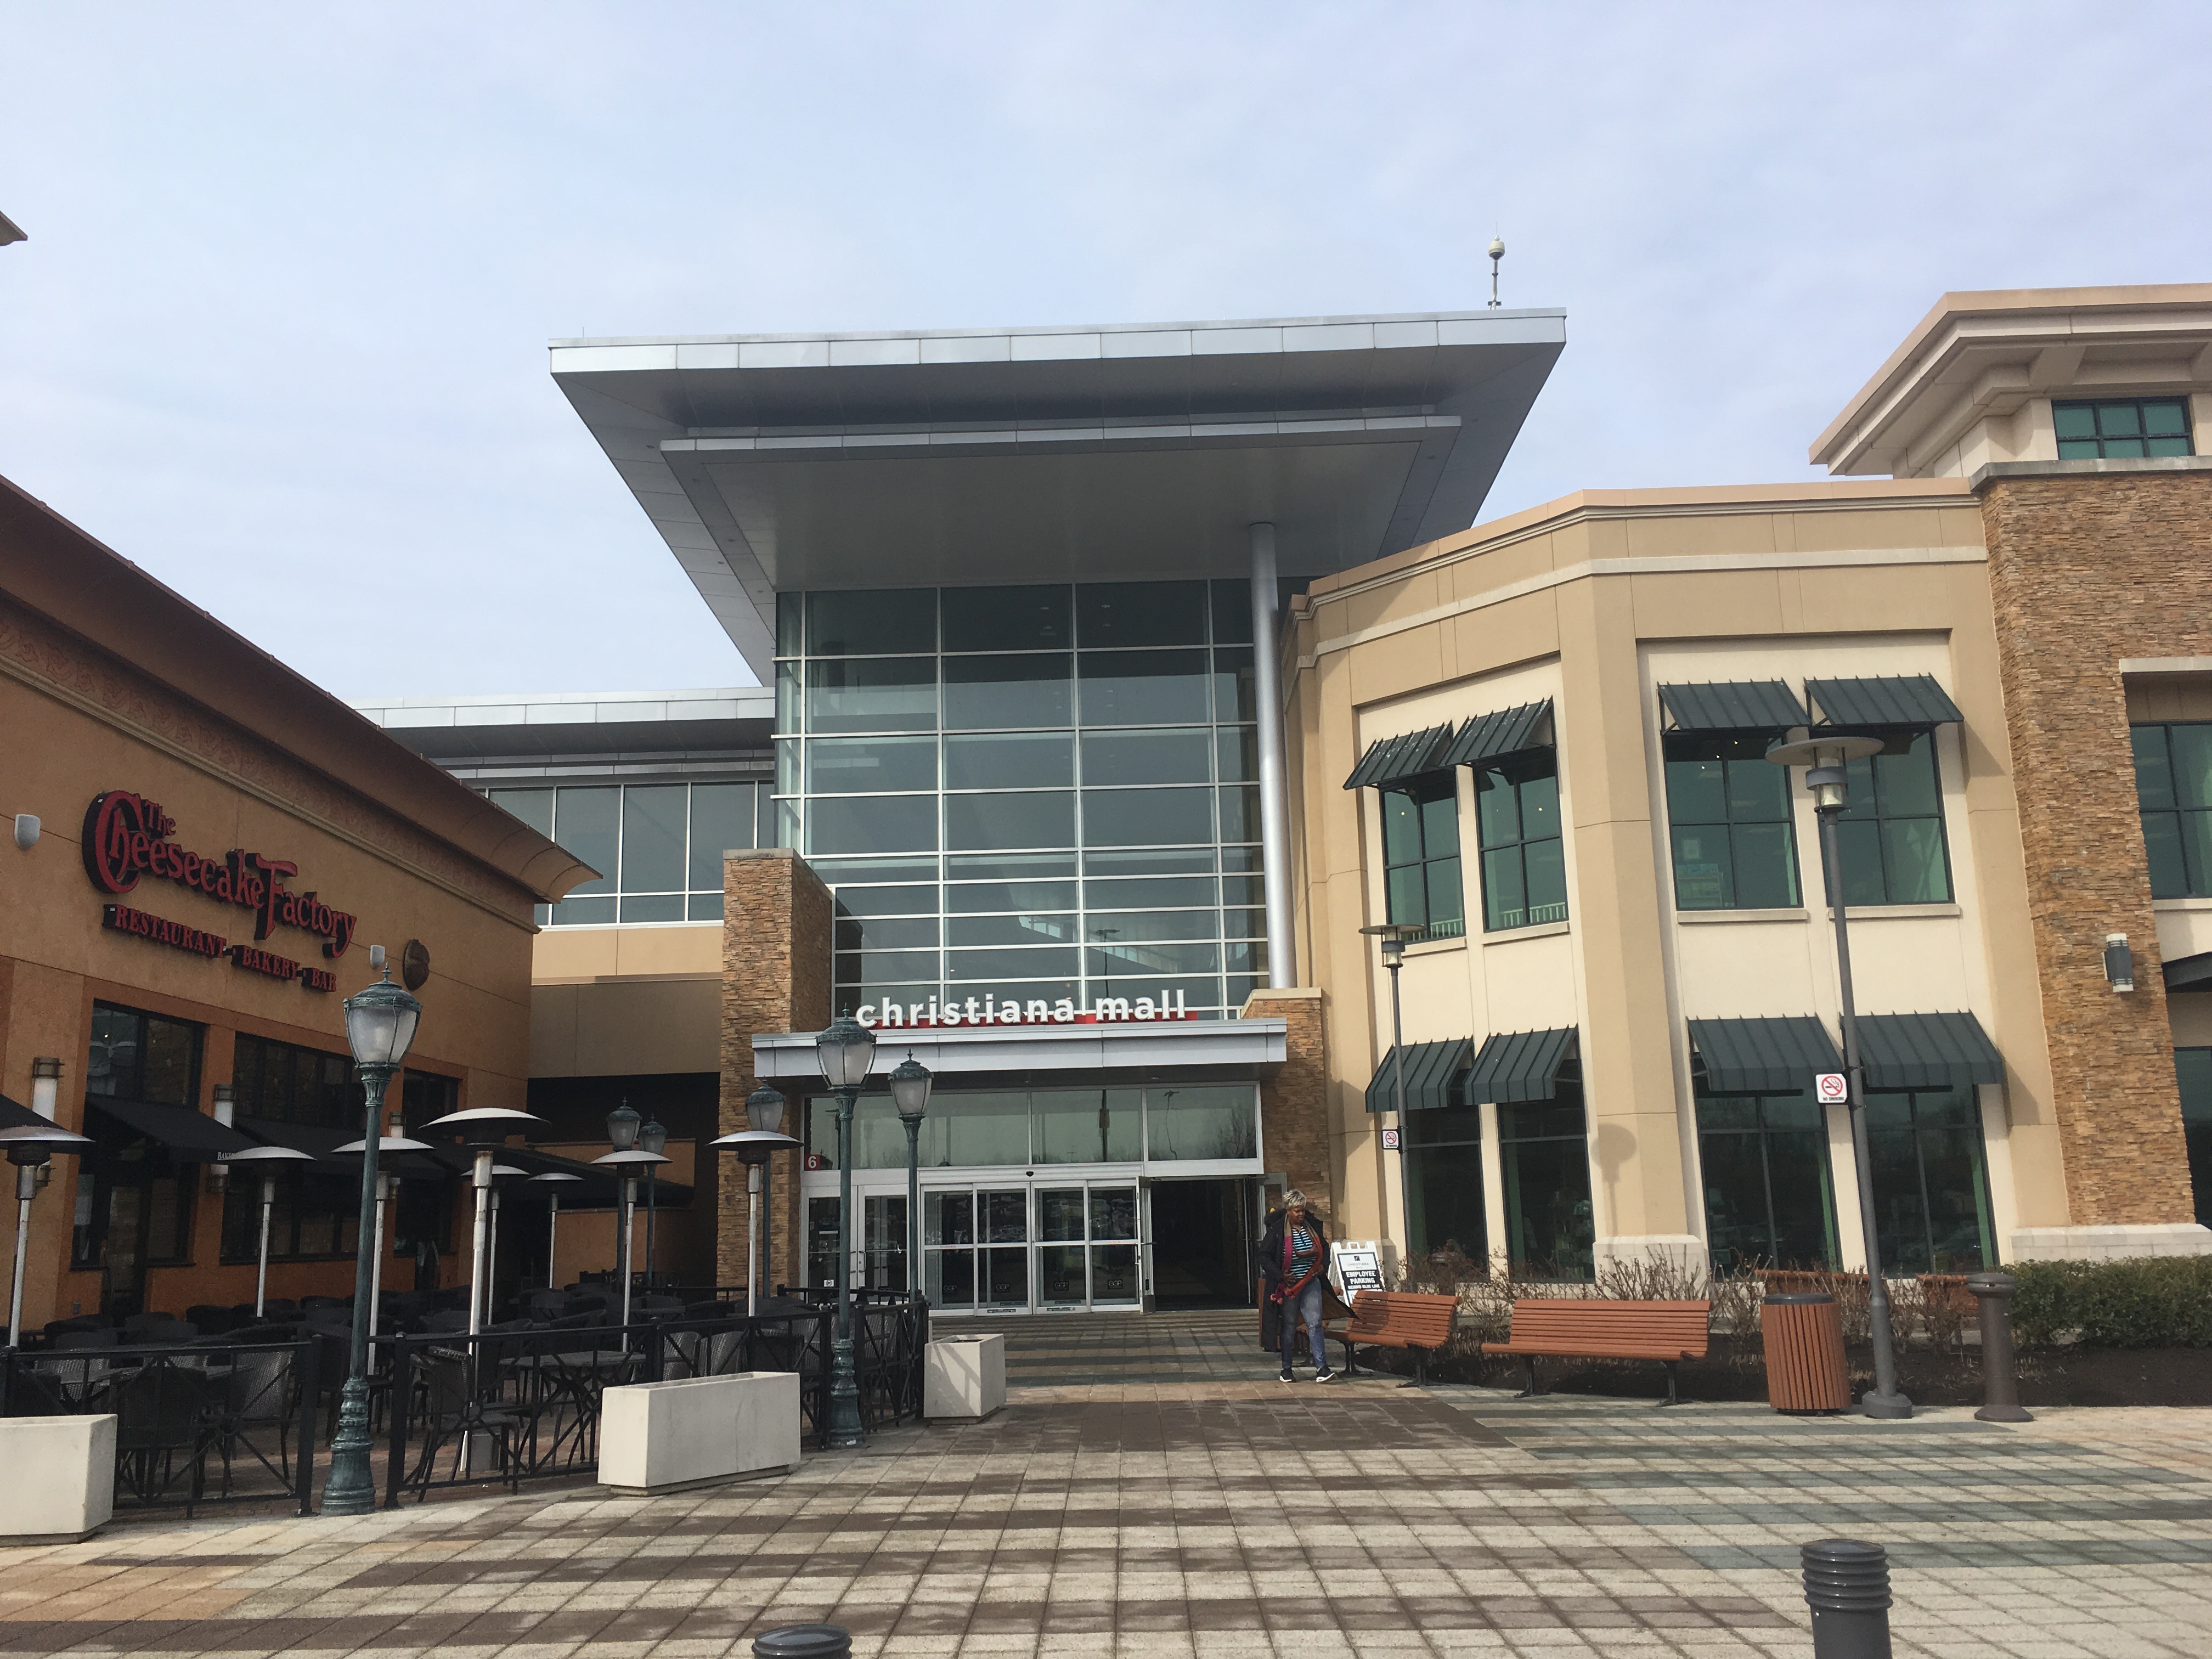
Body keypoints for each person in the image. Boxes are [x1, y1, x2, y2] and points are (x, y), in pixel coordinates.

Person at [1260, 1190, 1335, 1383]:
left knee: (1315, 1324)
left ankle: (1322, 1368)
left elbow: (1324, 1248)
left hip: (1311, 1282)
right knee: (1289, 1326)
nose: (1301, 1215)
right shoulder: (1277, 1231)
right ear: (1288, 1211)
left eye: (1302, 1211)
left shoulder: (1312, 1227)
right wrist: (1280, 1274)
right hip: (1289, 1287)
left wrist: (1323, 1266)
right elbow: (1264, 1256)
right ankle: (1287, 1369)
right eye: (1296, 1211)